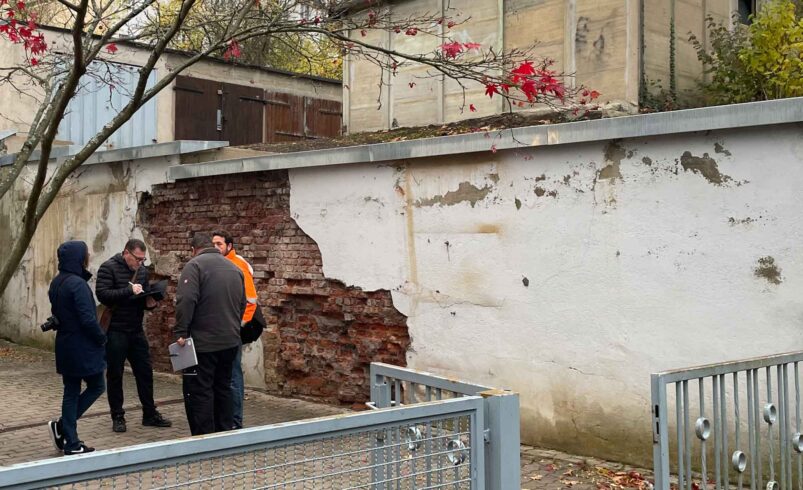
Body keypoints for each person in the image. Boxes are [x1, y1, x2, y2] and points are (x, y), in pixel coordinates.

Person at [95, 238, 171, 433]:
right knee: (115, 374)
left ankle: (150, 413)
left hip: (136, 330)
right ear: (126, 253)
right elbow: (103, 295)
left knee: (145, 372)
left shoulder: (142, 272)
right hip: (116, 330)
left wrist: (149, 301)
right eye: (137, 259)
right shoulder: (108, 268)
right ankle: (118, 416)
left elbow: (140, 298)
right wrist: (128, 290)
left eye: (143, 259)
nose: (140, 263)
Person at [174, 232, 245, 435]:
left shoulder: (194, 266)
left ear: (193, 249)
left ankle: (204, 438)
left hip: (203, 343)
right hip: (230, 341)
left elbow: (186, 300)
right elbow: (242, 303)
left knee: (201, 390)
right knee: (223, 387)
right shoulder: (234, 268)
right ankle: (224, 432)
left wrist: (181, 331)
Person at [46, 241, 106, 455]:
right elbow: (88, 320)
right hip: (82, 346)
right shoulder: (78, 285)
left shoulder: (57, 282)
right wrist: (101, 338)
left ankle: (68, 435)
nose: (88, 256)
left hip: (65, 344)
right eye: (86, 254)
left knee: (71, 391)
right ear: (79, 258)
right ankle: (67, 433)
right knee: (97, 385)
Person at [212, 230, 258, 430]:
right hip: (219, 330)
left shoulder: (238, 264)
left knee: (233, 376)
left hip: (232, 331)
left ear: (229, 245)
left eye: (219, 244)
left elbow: (251, 300)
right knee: (223, 376)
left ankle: (235, 421)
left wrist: (238, 325)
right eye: (213, 244)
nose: (215, 248)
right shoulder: (215, 263)